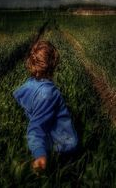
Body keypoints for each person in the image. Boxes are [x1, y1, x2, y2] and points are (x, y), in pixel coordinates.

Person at [13, 40, 78, 172]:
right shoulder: (48, 94)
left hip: (50, 144)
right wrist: (40, 155)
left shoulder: (29, 86)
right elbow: (36, 127)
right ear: (53, 64)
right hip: (61, 148)